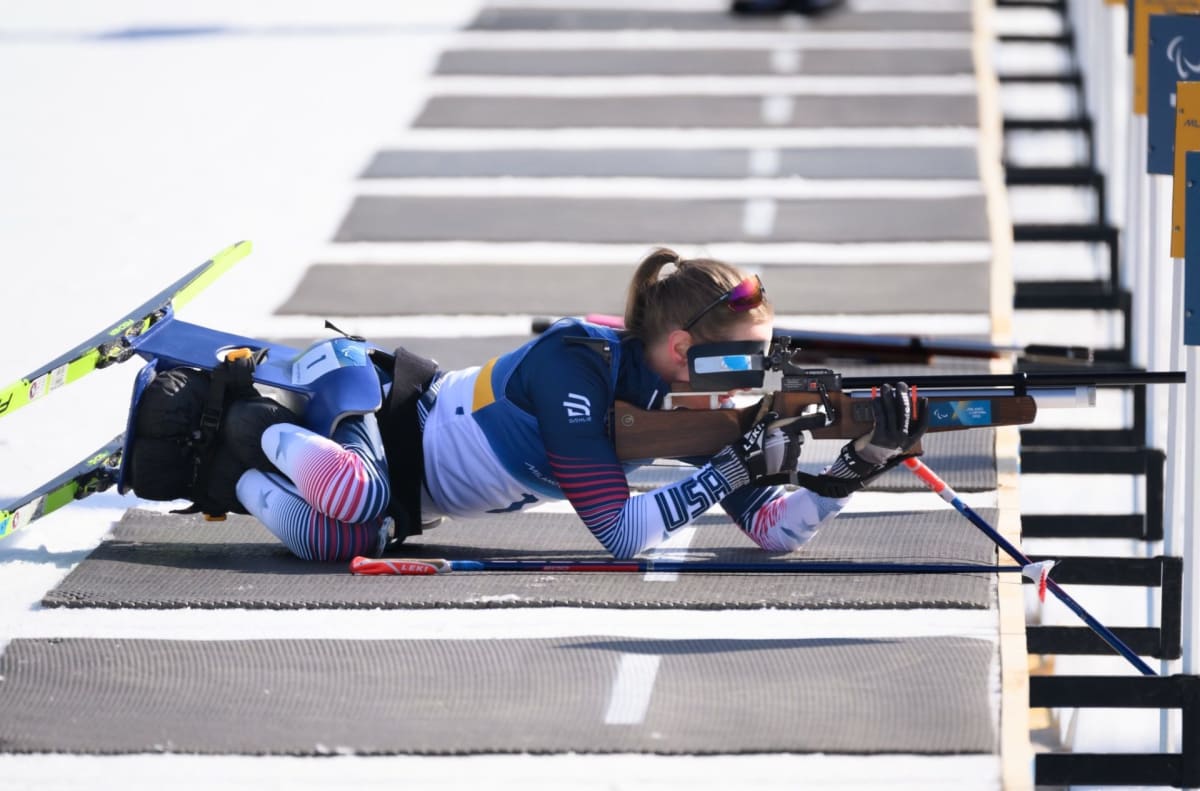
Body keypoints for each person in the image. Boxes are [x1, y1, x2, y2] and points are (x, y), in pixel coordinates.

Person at [140, 249, 926, 562]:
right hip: (383, 414)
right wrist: (728, 466)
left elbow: (778, 532)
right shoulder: (577, 362)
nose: (754, 375)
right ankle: (260, 418)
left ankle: (229, 469)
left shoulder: (699, 405)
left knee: (331, 545)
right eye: (747, 356)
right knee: (359, 492)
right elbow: (621, 534)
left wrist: (857, 467)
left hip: (419, 501)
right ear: (684, 347)